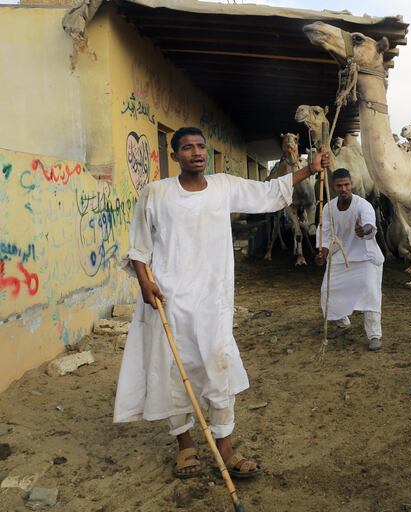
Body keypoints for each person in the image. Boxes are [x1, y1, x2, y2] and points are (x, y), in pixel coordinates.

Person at [114, 127, 331, 479]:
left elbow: (268, 192)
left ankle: (225, 447)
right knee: (175, 371)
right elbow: (139, 245)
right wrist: (144, 282)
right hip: (169, 299)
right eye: (187, 148)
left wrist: (310, 168)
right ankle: (185, 446)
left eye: (201, 146)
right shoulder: (155, 193)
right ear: (175, 156)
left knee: (219, 365)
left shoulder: (224, 186)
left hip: (213, 301)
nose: (196, 153)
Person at [315, 168, 384, 351]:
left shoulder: (363, 205)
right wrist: (323, 253)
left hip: (365, 257)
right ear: (334, 187)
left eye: (346, 185)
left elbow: (370, 224)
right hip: (340, 257)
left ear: (351, 184)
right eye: (339, 186)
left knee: (371, 294)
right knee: (326, 292)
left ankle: (374, 335)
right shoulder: (329, 207)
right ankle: (343, 323)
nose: (344, 189)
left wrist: (365, 230)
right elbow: (327, 235)